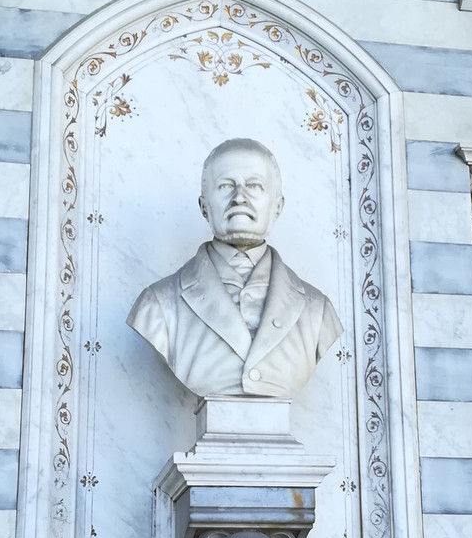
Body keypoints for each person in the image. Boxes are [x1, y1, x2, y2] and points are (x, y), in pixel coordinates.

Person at [127, 138, 343, 397]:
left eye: (254, 185)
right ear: (204, 207)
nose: (239, 197)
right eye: (226, 186)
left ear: (277, 207)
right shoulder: (157, 305)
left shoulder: (317, 310)